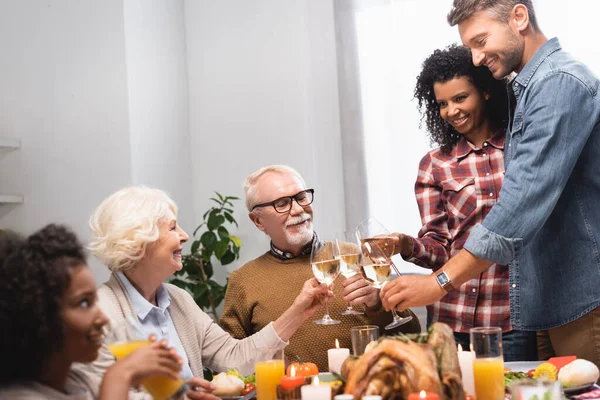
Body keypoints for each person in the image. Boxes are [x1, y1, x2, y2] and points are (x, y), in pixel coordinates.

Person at [380, 0, 600, 368]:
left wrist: (437, 283)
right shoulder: (528, 91)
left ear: (519, 17)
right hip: (548, 302)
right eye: (470, 47)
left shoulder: (558, 83)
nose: (477, 58)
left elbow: (519, 205)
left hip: (580, 299)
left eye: (481, 41)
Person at [84, 185, 331, 399]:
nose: (184, 236)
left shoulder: (179, 300)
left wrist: (298, 312)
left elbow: (233, 356)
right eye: (172, 228)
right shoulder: (98, 315)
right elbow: (94, 394)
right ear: (140, 242)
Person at [389, 44, 535, 361]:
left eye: (459, 98)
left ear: (484, 92)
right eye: (442, 103)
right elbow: (440, 247)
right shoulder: (435, 164)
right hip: (451, 320)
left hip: (510, 322)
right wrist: (405, 244)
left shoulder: (521, 148)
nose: (451, 110)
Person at [220, 165, 421, 372]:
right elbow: (229, 365)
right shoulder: (243, 280)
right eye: (282, 204)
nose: (298, 209)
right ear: (258, 221)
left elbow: (412, 337)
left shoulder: (355, 256)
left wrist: (378, 304)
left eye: (301, 197)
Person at [0, 224, 193, 400]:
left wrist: (177, 393)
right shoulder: (18, 396)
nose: (102, 318)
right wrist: (121, 374)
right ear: (37, 316)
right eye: (84, 303)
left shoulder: (81, 382)